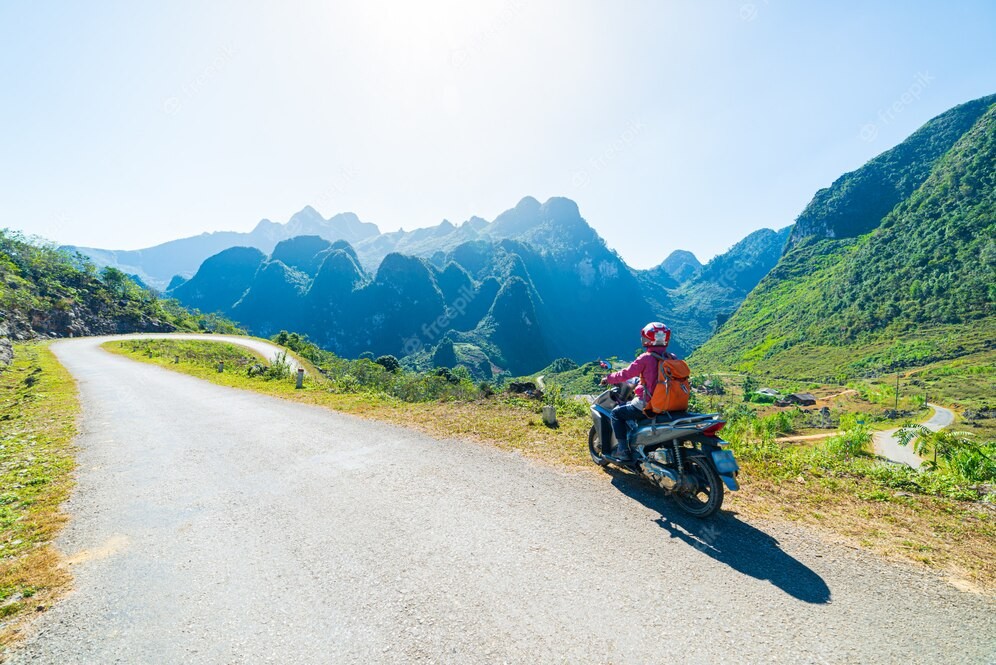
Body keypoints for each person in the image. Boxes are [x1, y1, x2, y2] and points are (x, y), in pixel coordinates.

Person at [599, 321, 677, 462]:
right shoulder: (671, 357)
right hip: (670, 404)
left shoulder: (646, 358)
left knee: (616, 413)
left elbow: (626, 374)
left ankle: (622, 450)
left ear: (647, 339)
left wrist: (608, 378)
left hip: (648, 403)